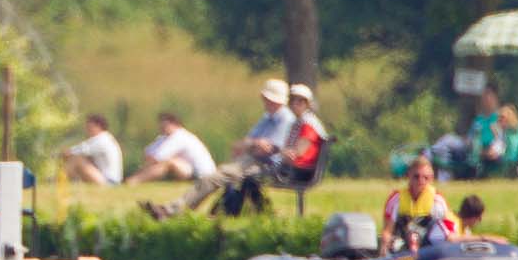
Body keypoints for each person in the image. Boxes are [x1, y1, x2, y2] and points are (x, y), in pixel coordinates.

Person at [149, 83, 325, 219]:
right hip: (255, 161)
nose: (267, 102)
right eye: (292, 100)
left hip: (267, 165)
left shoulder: (288, 119)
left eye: (298, 101)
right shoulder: (270, 118)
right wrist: (254, 144)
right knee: (218, 176)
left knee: (215, 177)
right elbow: (242, 145)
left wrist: (254, 146)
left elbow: (273, 150)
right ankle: (178, 210)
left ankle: (174, 211)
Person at [382, 155, 456, 252]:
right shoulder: (396, 199)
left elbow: (448, 232)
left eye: (426, 178)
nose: (421, 181)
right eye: (416, 177)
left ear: (431, 178)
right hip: (402, 243)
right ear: (409, 175)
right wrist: (383, 250)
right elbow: (388, 231)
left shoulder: (437, 201)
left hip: (427, 247)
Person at [125, 111, 217, 185]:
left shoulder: (180, 136)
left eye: (165, 124)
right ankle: (134, 179)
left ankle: (135, 181)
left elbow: (158, 158)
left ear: (174, 124)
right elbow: (148, 153)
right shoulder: (164, 137)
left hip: (202, 174)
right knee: (163, 162)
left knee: (168, 163)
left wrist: (144, 167)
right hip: (188, 170)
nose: (161, 127)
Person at [62, 114, 122, 185]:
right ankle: (69, 182)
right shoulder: (105, 137)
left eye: (89, 127)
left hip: (109, 182)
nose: (87, 130)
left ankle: (60, 181)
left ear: (98, 126)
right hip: (108, 179)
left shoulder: (102, 140)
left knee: (77, 159)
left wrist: (66, 152)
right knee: (82, 159)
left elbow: (78, 150)